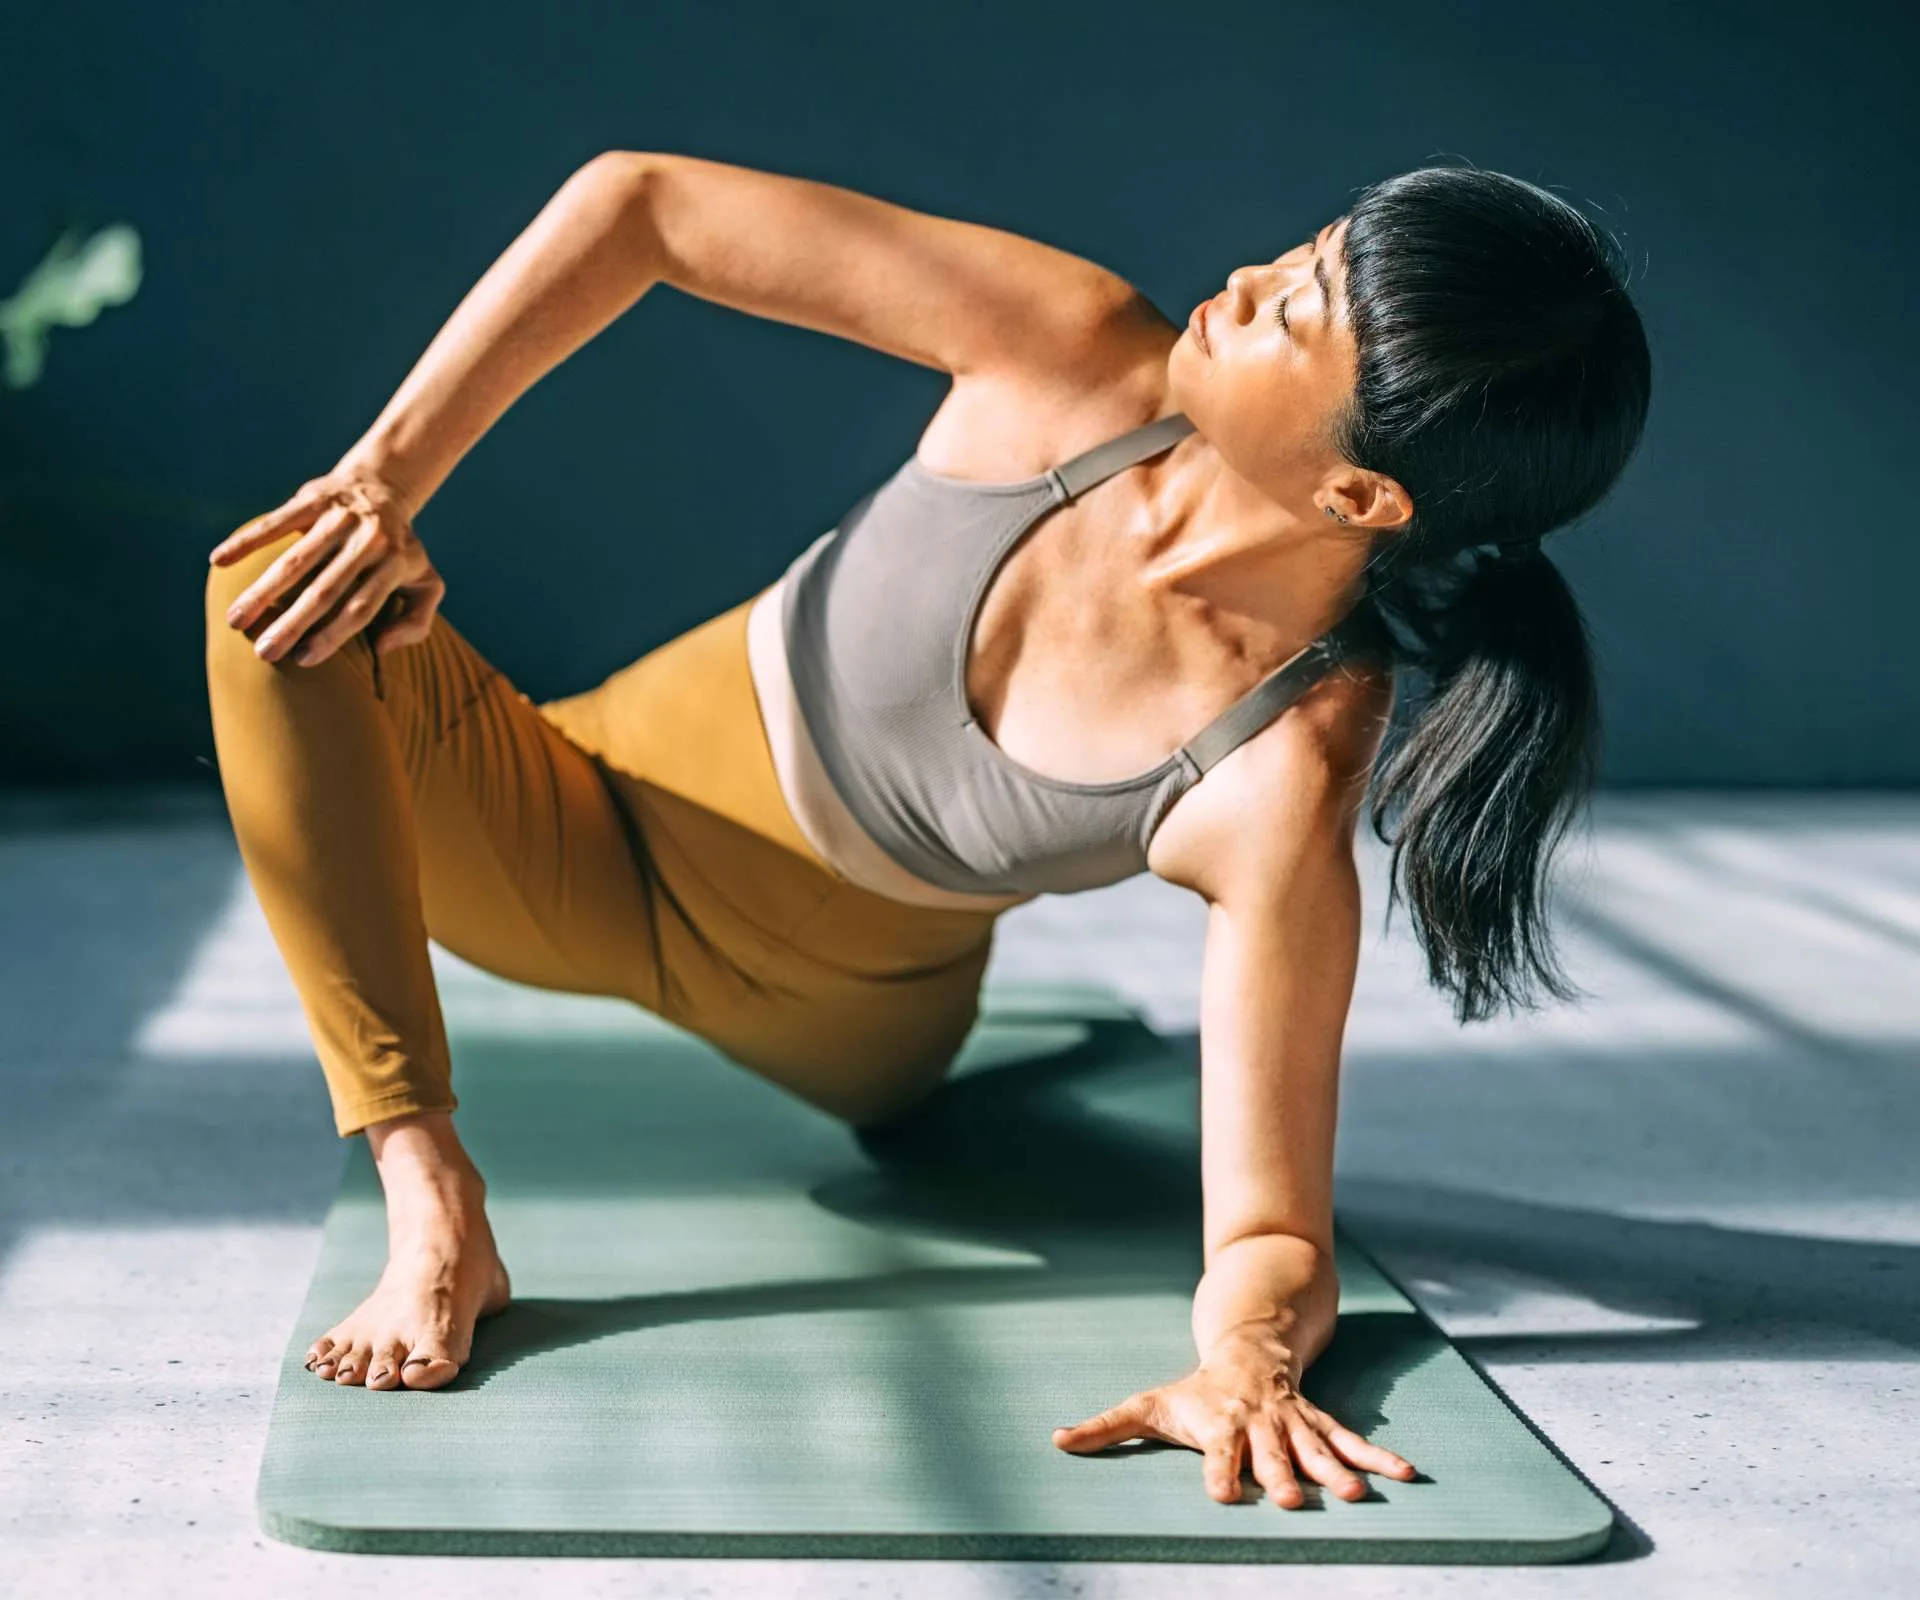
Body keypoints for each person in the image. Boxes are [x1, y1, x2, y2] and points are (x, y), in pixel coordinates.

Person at [203, 150, 1650, 1510]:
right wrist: (385, 480)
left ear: (1360, 494)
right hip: (563, 827)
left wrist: (1245, 1365)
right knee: (280, 585)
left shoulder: (1280, 758)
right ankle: (432, 1192)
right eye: (1306, 249)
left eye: (1301, 308)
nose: (1249, 276)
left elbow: (1272, 1229)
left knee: (923, 1115)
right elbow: (639, 205)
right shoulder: (1076, 347)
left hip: (850, 1023)